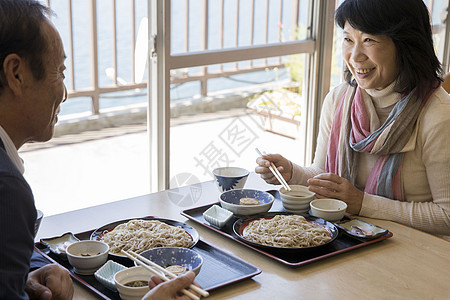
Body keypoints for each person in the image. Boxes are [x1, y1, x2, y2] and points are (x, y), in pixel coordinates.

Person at [0, 0, 200, 299]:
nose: (65, 94)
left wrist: (30, 270)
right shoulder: (7, 189)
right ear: (16, 74)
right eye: (61, 71)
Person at [256, 0, 450, 238]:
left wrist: (363, 203)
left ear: (405, 44)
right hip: (349, 242)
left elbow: (447, 216)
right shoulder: (340, 99)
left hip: (416, 257)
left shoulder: (439, 114)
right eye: (348, 39)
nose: (355, 56)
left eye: (369, 40)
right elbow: (324, 175)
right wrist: (291, 173)